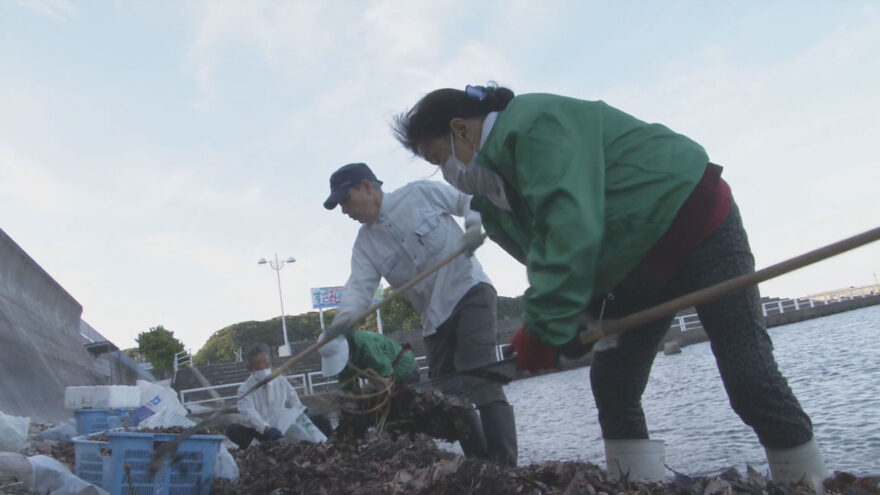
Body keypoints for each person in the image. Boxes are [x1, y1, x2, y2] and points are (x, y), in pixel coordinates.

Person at [391, 84, 828, 487]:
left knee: (749, 378)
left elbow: (570, 229)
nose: (445, 172)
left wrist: (543, 328)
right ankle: (639, 484)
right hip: (633, 268)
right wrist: (577, 319)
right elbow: (548, 256)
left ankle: (810, 485)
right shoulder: (492, 200)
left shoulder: (533, 124)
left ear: (460, 130)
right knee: (614, 387)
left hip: (696, 227)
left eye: (437, 159)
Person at [322, 162, 517, 467]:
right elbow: (359, 290)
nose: (345, 211)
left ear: (367, 187)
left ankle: (505, 467)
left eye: (345, 200)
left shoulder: (418, 194)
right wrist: (339, 325)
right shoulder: (365, 245)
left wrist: (474, 227)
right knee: (448, 394)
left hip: (468, 290)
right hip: (434, 318)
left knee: (478, 374)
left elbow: (469, 201)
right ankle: (481, 469)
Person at [225, 343, 308, 449]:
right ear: (250, 369)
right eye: (258, 368)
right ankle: (258, 447)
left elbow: (294, 400)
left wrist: (300, 410)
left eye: (267, 365)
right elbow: (249, 414)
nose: (264, 370)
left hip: (283, 427)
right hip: (259, 432)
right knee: (233, 430)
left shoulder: (281, 380)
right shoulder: (244, 389)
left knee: (321, 421)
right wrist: (266, 428)